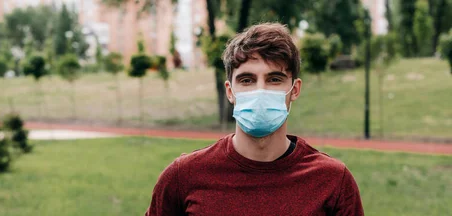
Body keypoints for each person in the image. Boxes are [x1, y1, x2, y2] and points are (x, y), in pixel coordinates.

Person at [145, 23, 363, 216]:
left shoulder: (333, 182)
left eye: (274, 79)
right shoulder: (183, 177)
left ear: (294, 90)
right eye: (247, 80)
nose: (260, 91)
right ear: (230, 92)